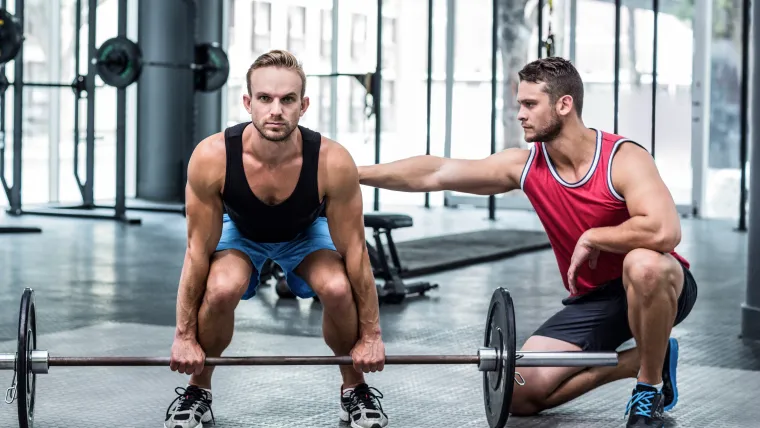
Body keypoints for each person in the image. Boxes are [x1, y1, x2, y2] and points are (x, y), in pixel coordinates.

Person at [357, 57, 697, 428]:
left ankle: (648, 388)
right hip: (596, 299)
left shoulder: (622, 158)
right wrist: (352, 174)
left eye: (530, 104)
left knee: (643, 264)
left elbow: (665, 232)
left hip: (660, 285)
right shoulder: (526, 166)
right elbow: (436, 171)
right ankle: (643, 359)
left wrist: (595, 236)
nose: (520, 114)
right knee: (516, 392)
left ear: (564, 105)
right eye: (520, 104)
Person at [165, 49, 389, 428]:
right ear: (247, 102)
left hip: (304, 232)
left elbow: (355, 252)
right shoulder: (212, 156)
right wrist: (183, 336)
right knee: (221, 288)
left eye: (287, 100)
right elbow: (196, 251)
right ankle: (198, 389)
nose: (276, 110)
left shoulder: (332, 160)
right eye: (265, 99)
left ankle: (354, 388)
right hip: (241, 231)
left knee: (336, 287)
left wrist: (372, 336)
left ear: (303, 106)